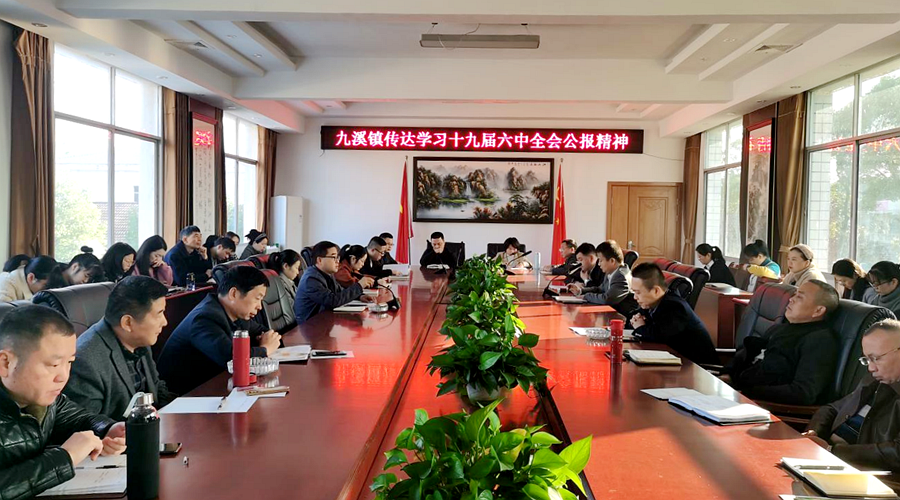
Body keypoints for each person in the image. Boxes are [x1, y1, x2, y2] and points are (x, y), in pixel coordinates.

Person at [0, 306, 126, 498]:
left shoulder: (46, 399)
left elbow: (79, 418)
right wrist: (65, 457)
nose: (63, 376)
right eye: (54, 364)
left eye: (69, 362)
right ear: (6, 363)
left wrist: (108, 429)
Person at [64, 276, 177, 420]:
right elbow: (86, 422)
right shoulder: (86, 360)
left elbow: (156, 388)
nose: (165, 322)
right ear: (128, 323)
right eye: (159, 314)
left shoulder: (139, 339)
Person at [157, 266, 282, 395]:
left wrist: (267, 341)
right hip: (182, 396)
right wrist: (265, 349)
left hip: (212, 386)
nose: (260, 306)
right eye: (257, 298)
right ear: (234, 294)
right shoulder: (205, 318)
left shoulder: (238, 314)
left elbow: (266, 333)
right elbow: (232, 359)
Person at [803, 319, 900, 471]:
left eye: (876, 358)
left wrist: (831, 451)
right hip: (826, 455)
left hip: (862, 472)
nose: (871, 368)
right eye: (867, 360)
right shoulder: (874, 380)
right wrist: (814, 433)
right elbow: (833, 408)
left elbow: (896, 454)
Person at [728, 280, 840, 405]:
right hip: (737, 391)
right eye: (794, 294)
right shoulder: (780, 328)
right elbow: (751, 356)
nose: (791, 299)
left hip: (761, 404)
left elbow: (803, 392)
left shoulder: (820, 340)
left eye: (799, 297)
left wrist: (746, 393)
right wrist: (728, 375)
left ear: (818, 311)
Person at [630, 263, 719, 366]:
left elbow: (659, 337)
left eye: (638, 292)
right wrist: (636, 322)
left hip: (697, 368)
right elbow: (634, 319)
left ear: (656, 291)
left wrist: (640, 327)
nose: (635, 297)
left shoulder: (675, 307)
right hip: (675, 364)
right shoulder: (653, 303)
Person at [294, 241, 374, 325]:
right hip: (309, 326)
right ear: (320, 260)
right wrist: (359, 286)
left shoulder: (327, 273)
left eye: (337, 257)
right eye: (333, 257)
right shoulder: (311, 279)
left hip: (323, 321)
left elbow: (339, 290)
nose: (337, 261)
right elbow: (332, 301)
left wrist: (360, 296)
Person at [572, 241, 639, 314]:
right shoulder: (611, 272)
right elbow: (600, 289)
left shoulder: (621, 276)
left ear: (612, 261)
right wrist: (581, 290)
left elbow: (607, 299)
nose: (599, 264)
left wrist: (586, 296)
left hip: (624, 315)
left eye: (601, 261)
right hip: (611, 311)